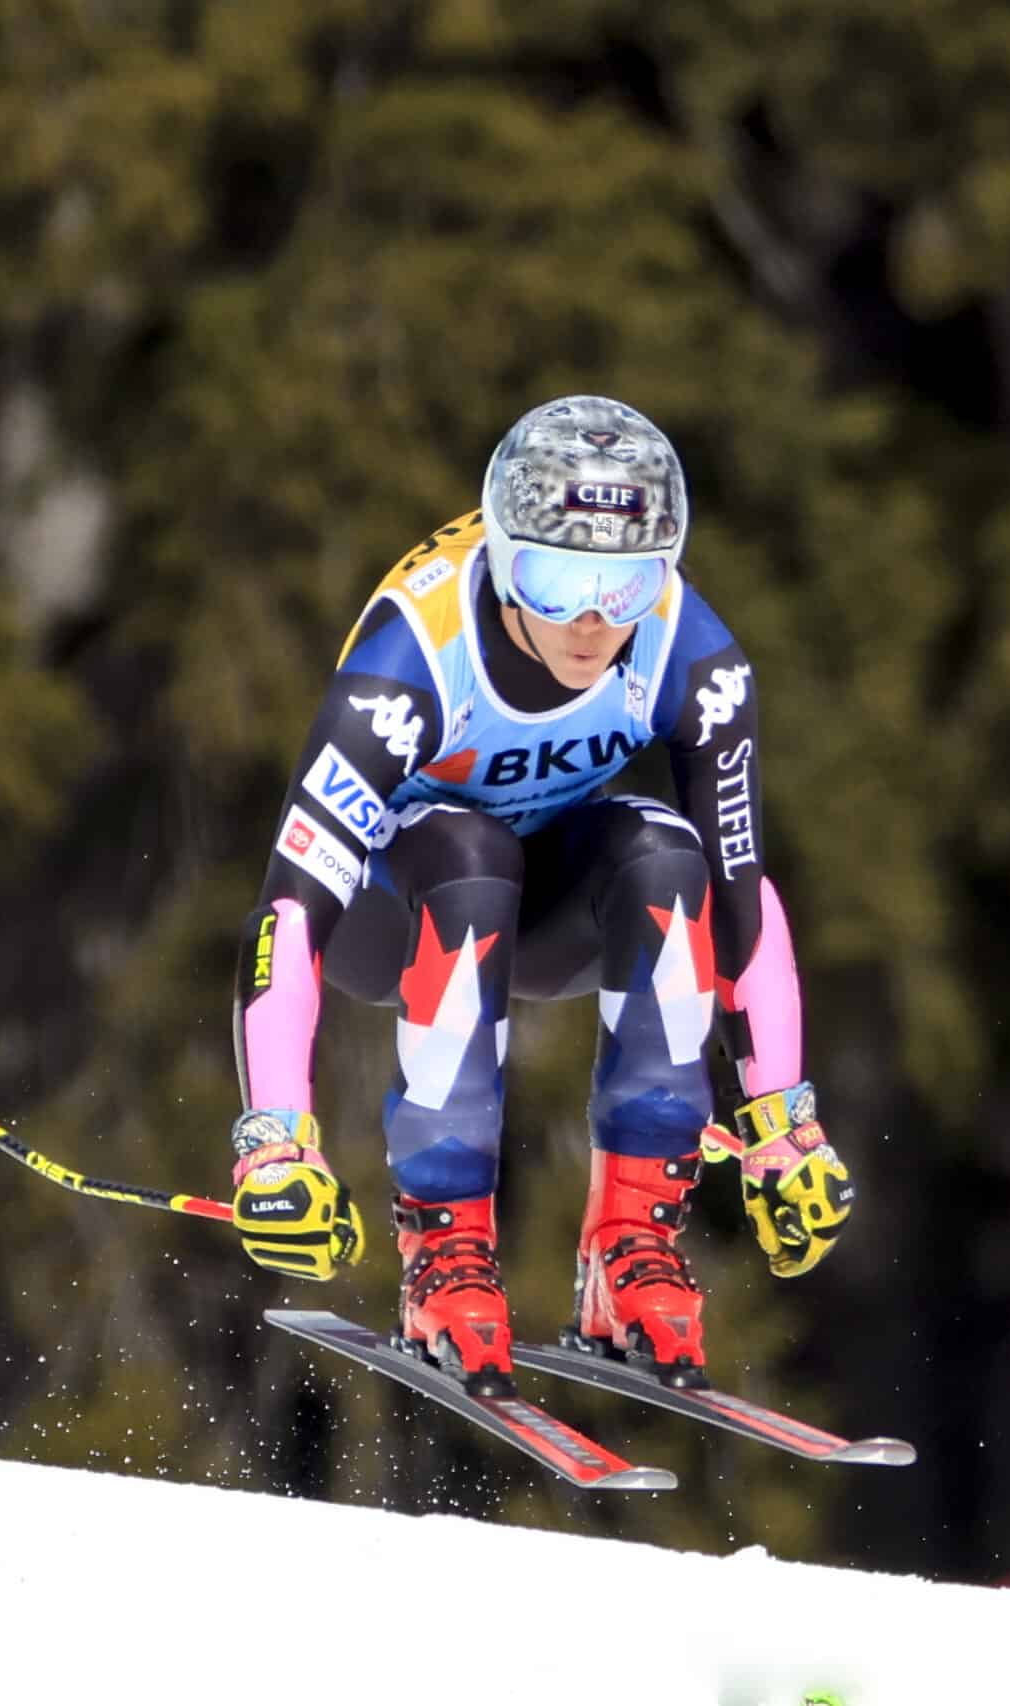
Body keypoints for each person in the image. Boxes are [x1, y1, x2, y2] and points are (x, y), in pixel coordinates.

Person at [224, 395, 853, 1395]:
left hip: (542, 910)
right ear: (504, 560)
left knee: (668, 851)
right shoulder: (410, 664)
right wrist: (275, 1136)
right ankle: (445, 1251)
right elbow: (291, 913)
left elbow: (741, 892)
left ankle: (630, 1248)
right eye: (555, 583)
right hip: (396, 916)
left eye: (628, 582)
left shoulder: (692, 657)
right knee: (468, 849)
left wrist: (782, 1118)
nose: (593, 622)